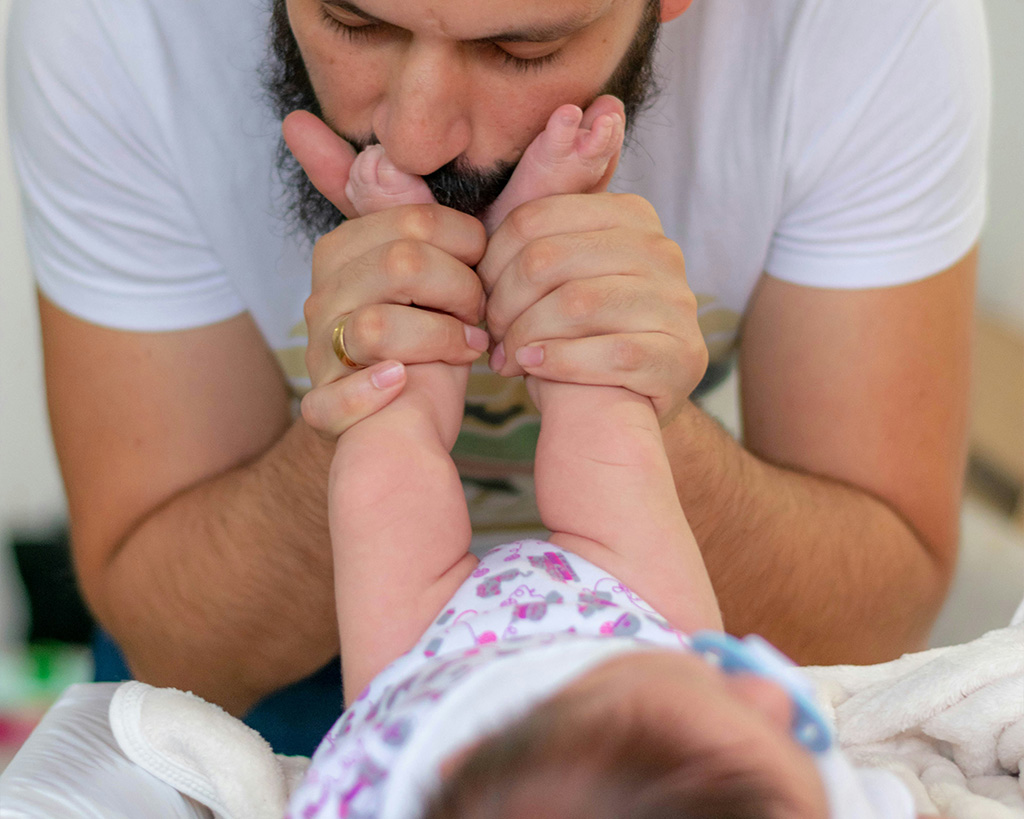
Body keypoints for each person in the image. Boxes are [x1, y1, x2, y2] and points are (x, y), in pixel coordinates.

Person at [6, 0, 989, 755]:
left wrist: (633, 412)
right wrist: (373, 406)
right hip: (274, 677)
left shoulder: (862, 26)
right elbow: (178, 650)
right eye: (352, 20)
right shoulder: (113, 24)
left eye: (521, 48)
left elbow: (877, 613)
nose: (419, 132)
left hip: (685, 673)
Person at [285, 129, 919, 819]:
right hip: (632, 633)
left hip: (422, 704)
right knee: (609, 443)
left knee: (386, 465)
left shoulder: (385, 780)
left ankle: (408, 254)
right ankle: (549, 235)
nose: (768, 688)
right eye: (784, 734)